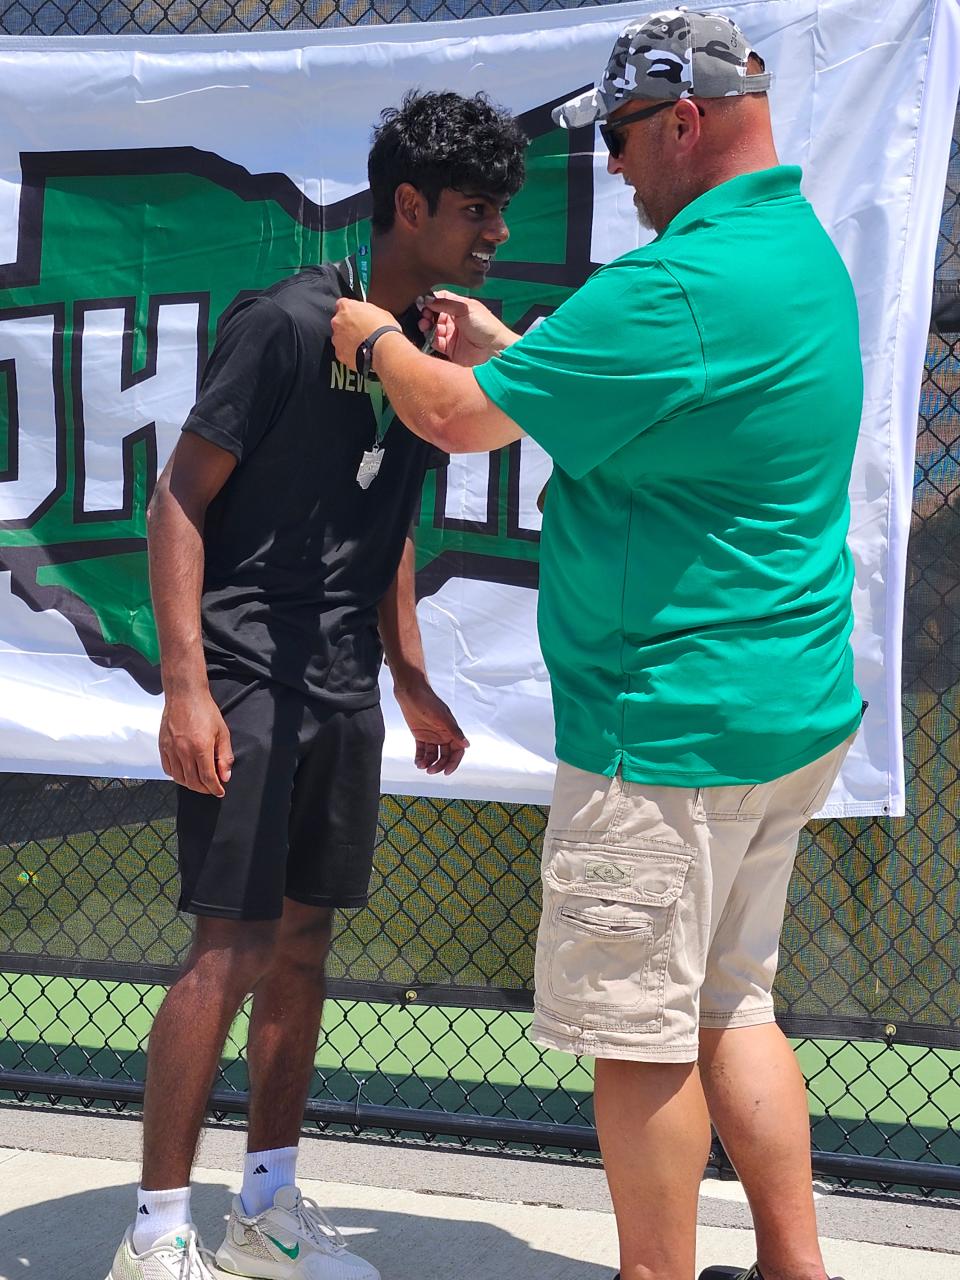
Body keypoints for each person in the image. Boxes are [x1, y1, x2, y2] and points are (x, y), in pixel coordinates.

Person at [331, 12, 863, 1280]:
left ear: (686, 119)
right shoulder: (797, 252)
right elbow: (664, 428)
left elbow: (459, 422)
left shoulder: (672, 286)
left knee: (638, 1035)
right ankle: (798, 1268)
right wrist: (521, 359)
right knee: (737, 1003)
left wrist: (372, 337)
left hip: (665, 725)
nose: (613, 167)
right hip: (784, 711)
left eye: (623, 138)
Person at [106, 90, 526, 1280]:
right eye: (475, 211)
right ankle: (152, 1232)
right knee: (227, 950)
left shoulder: (424, 353)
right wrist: (184, 688)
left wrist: (411, 675)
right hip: (244, 670)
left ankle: (265, 1210)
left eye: (501, 209)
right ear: (408, 206)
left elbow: (384, 520)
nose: (494, 232)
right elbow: (177, 497)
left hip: (341, 685)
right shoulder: (288, 324)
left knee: (302, 948)